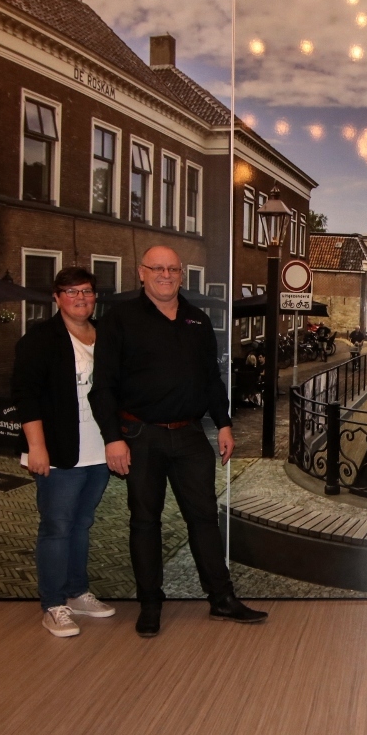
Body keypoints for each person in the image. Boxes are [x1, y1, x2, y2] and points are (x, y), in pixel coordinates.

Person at [90, 246, 266, 637]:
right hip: (140, 436)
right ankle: (150, 604)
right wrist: (112, 439)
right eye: (157, 268)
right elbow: (102, 387)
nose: (165, 275)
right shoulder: (119, 319)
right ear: (141, 273)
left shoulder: (197, 320)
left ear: (181, 274)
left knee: (204, 518)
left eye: (172, 269)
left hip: (189, 435)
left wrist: (224, 424)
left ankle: (222, 599)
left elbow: (211, 380)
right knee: (145, 521)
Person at [12, 267, 116, 638]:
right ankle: (53, 604)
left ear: (95, 296)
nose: (80, 298)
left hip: (99, 450)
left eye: (86, 291)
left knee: (82, 523)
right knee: (57, 527)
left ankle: (76, 592)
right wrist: (36, 448)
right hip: (58, 450)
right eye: (71, 292)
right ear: (57, 297)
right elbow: (26, 396)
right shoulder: (41, 338)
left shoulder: (106, 334)